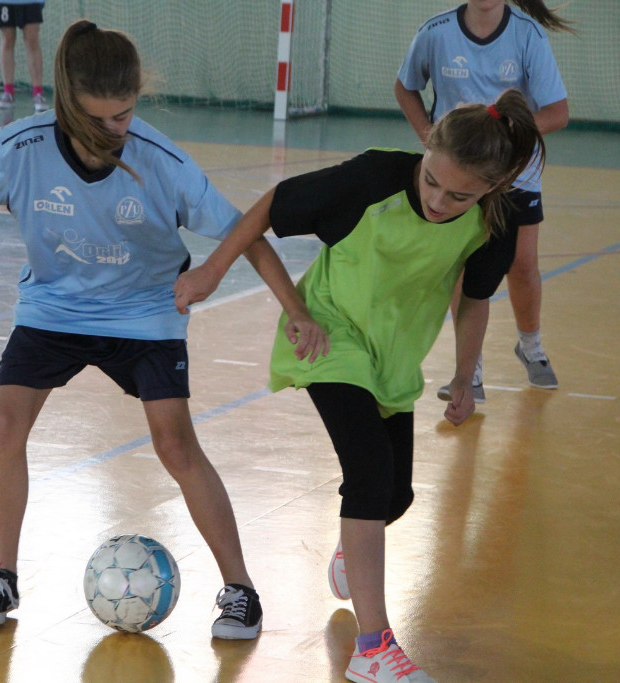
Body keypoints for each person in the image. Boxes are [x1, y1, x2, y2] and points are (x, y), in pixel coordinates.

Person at [0, 19, 318, 640]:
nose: (112, 130)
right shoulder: (24, 146)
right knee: (4, 426)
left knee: (175, 445)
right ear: (66, 102)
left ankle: (241, 589)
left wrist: (295, 310)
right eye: (96, 118)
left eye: (122, 116)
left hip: (145, 311)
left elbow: (248, 233)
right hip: (54, 308)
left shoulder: (162, 162)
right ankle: (2, 575)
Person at [174, 90, 545, 681]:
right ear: (425, 149)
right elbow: (273, 207)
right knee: (369, 476)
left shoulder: (493, 222)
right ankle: (373, 649)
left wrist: (463, 375)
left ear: (493, 188)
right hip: (329, 333)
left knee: (395, 497)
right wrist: (213, 270)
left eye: (459, 196)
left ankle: (355, 546)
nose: (438, 201)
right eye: (431, 182)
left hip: (393, 356)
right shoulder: (372, 179)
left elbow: (475, 301)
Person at [395, 0, 574, 402]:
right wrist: (430, 138)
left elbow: (558, 112)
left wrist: (507, 136)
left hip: (514, 173)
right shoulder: (436, 32)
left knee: (521, 265)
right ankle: (469, 369)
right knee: (463, 268)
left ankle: (531, 345)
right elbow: (405, 86)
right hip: (458, 176)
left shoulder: (528, 35)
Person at [0, 0, 49, 112]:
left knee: (32, 40)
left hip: (31, 2)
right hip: (5, 2)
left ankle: (38, 93)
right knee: (7, 40)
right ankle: (8, 92)